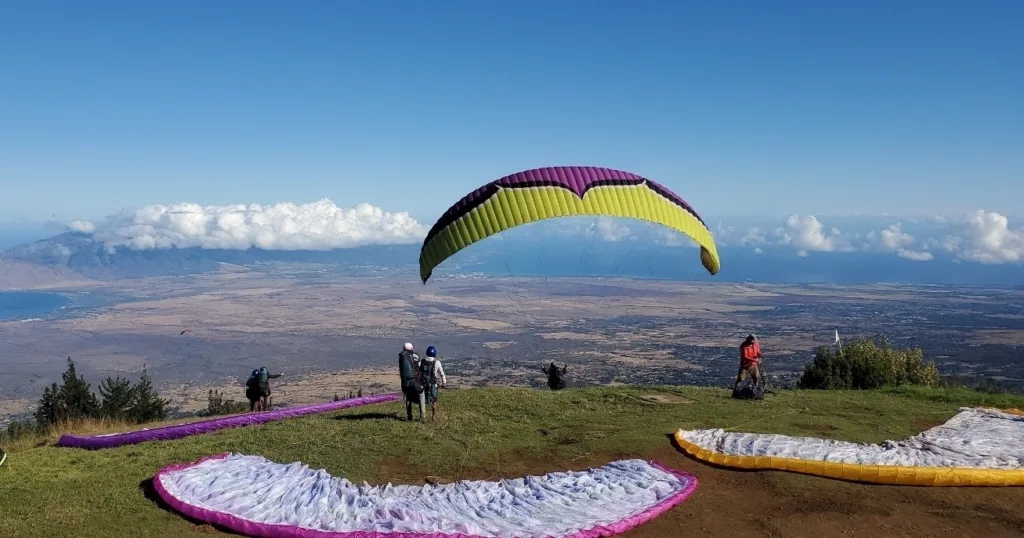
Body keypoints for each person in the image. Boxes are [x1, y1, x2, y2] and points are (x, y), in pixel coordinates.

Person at [398, 343, 425, 421]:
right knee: (421, 394)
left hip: (405, 383)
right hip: (414, 382)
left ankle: (409, 416)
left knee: (408, 397)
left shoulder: (402, 357)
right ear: (412, 348)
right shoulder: (415, 356)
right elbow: (419, 367)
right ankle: (422, 416)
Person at [419, 345, 447, 420]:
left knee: (422, 399)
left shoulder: (422, 361)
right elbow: (442, 373)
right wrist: (444, 382)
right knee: (434, 400)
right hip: (433, 383)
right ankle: (433, 416)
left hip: (423, 384)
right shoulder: (436, 362)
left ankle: (422, 415)